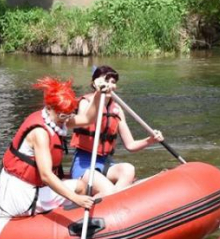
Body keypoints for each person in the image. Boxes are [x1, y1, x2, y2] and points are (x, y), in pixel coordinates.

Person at [0, 76, 114, 239]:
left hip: (32, 187)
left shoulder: (56, 119)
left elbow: (87, 119)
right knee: (79, 188)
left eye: (68, 115)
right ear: (49, 108)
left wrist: (99, 95)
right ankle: (70, 231)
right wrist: (76, 199)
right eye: (63, 115)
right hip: (21, 194)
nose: (66, 119)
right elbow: (46, 176)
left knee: (80, 186)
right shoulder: (40, 133)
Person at [70, 65, 164, 193]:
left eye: (112, 82)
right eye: (106, 81)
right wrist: (99, 93)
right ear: (95, 83)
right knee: (109, 190)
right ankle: (110, 197)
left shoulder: (117, 110)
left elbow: (130, 145)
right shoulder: (86, 103)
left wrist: (150, 140)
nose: (109, 85)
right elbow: (84, 120)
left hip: (106, 163)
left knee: (128, 169)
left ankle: (114, 199)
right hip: (85, 164)